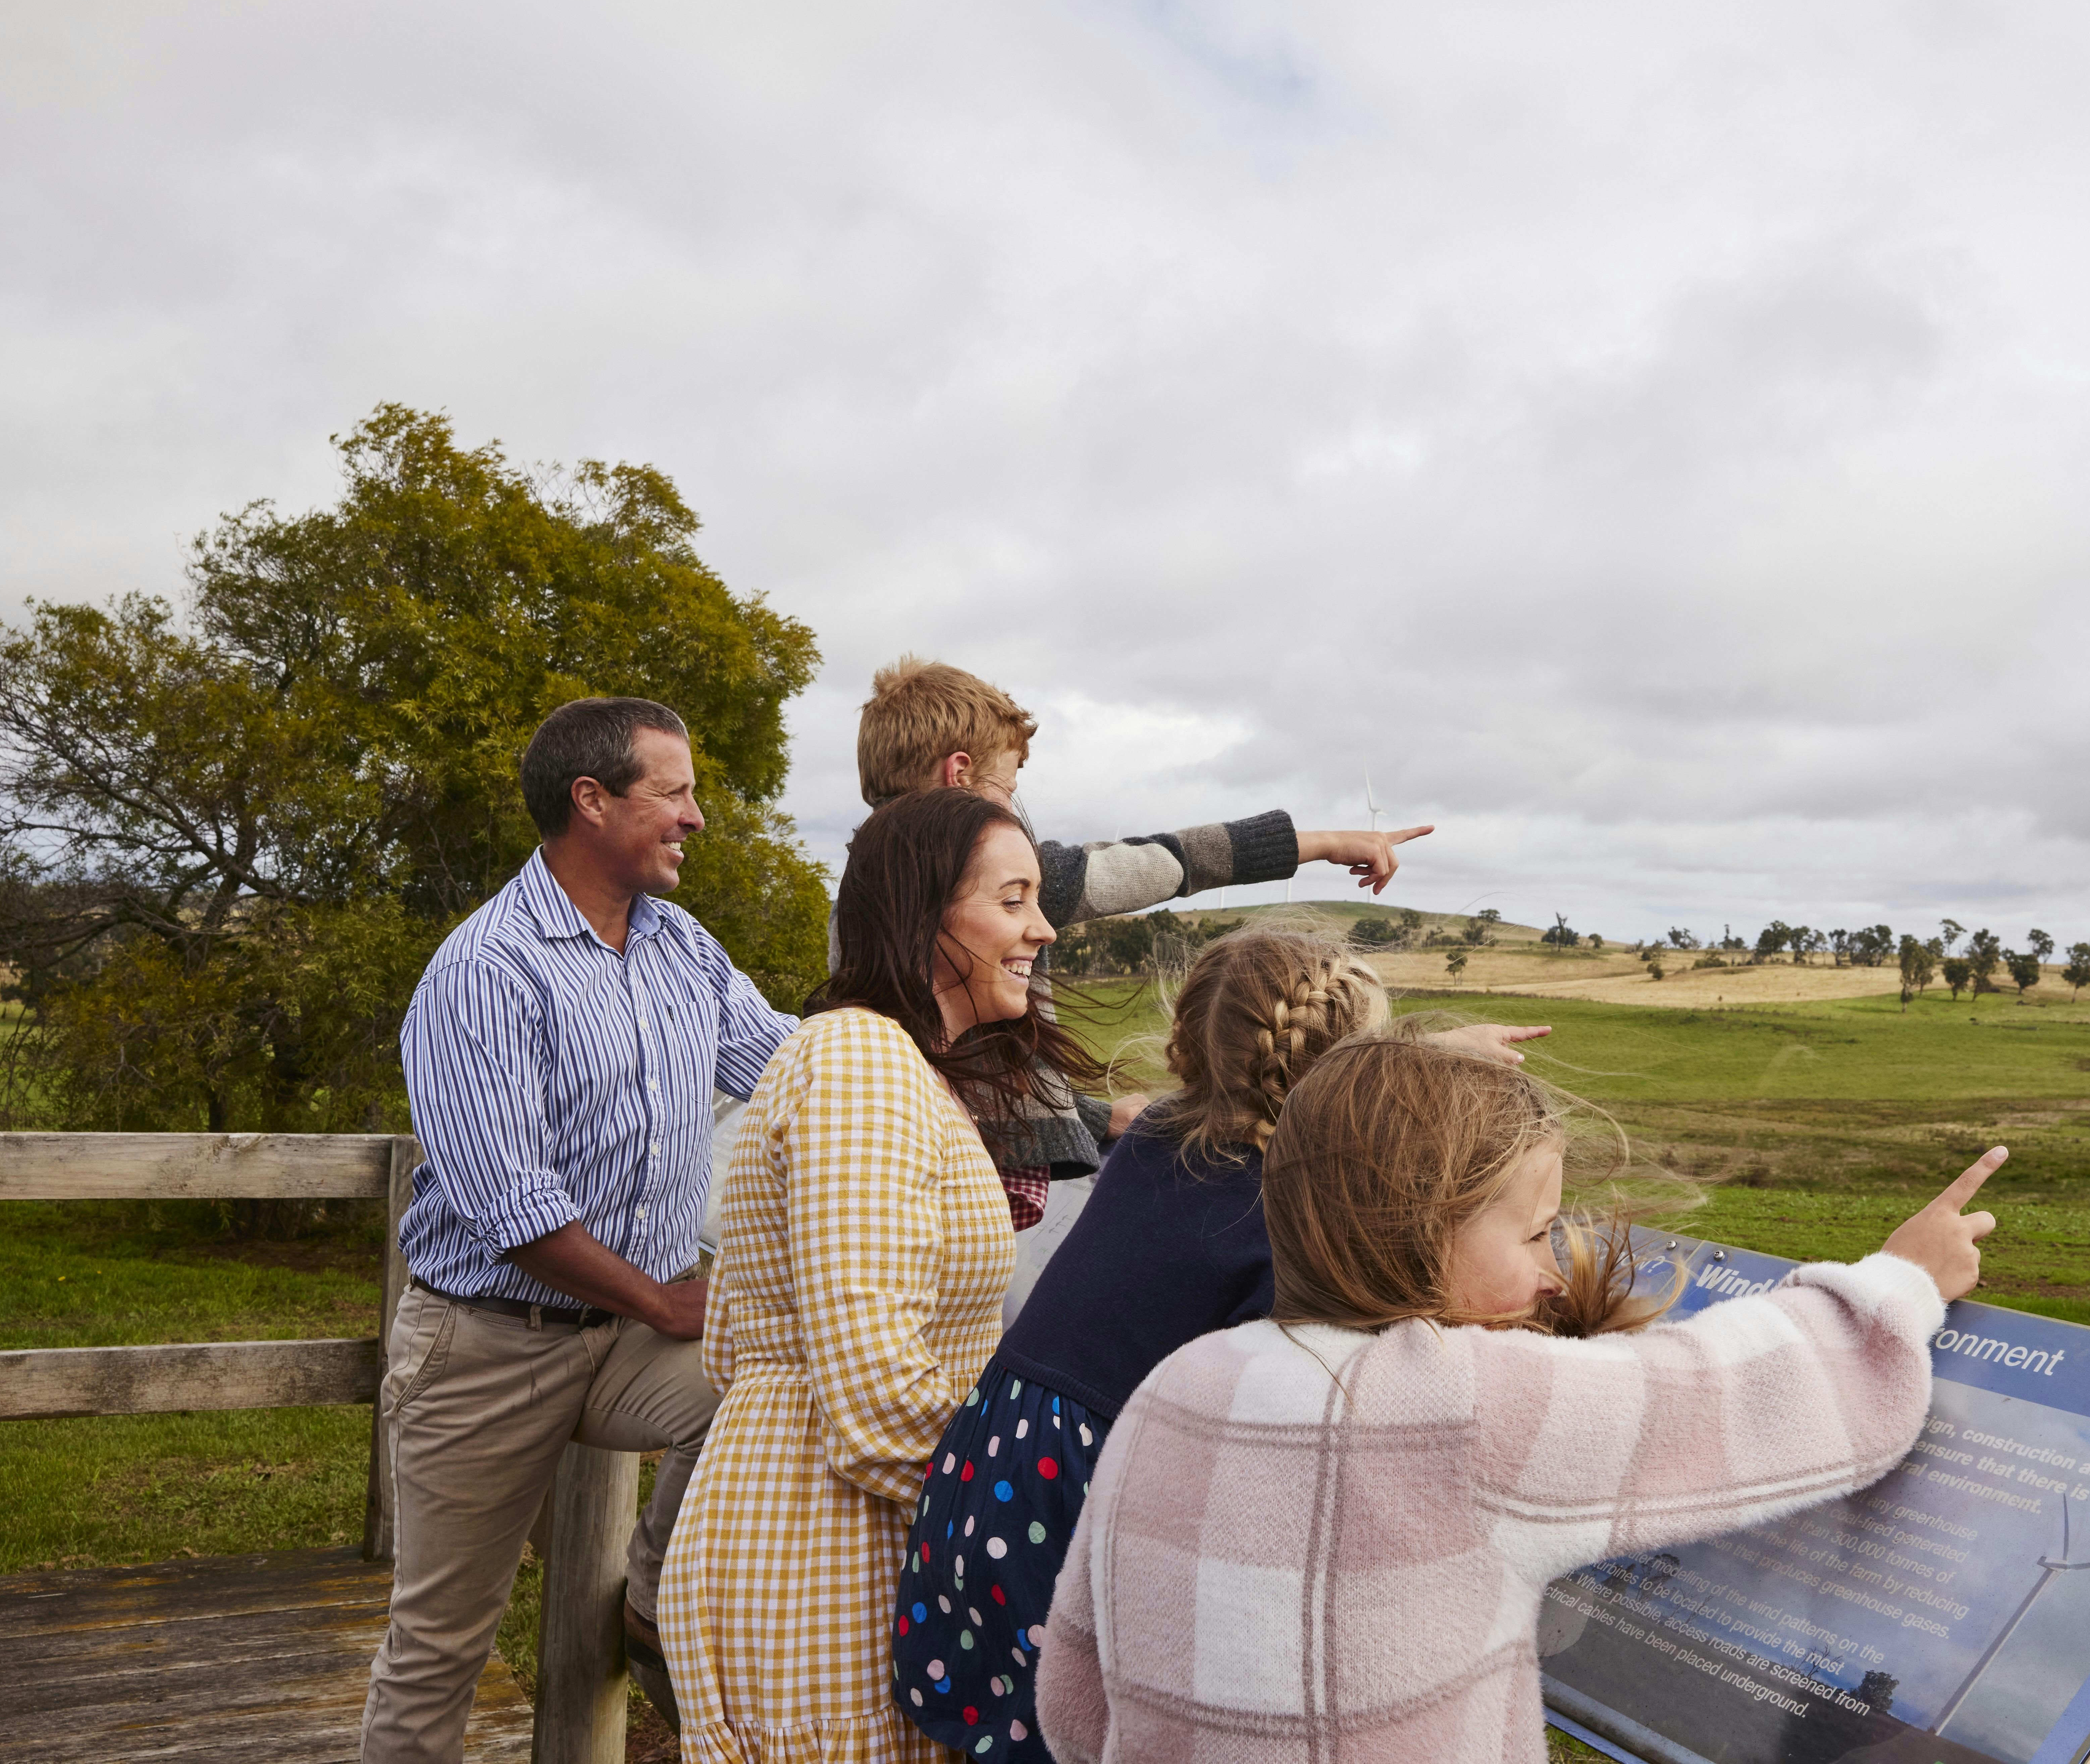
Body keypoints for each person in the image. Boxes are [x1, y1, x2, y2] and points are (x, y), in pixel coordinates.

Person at [1035, 1038, 2004, 1763]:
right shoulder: (1460, 1407)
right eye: (1537, 1233)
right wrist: (1898, 1286)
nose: (1551, 1271)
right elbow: (1741, 1390)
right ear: (1426, 1232)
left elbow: (1075, 1693)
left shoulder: (1180, 1381)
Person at [888, 928, 1545, 1762]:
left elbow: (1307, 1089)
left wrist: (1423, 1051)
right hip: (1088, 1491)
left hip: (1000, 1464)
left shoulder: (1155, 1134)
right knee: (1083, 1727)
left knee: (1012, 1723)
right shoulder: (1286, 1218)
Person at [365, 697, 796, 1764]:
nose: (697, 817)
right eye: (676, 792)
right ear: (591, 801)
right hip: (487, 1345)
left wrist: (933, 1091)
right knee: (438, 1649)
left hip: (628, 1341)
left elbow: (792, 1076)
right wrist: (662, 1297)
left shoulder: (682, 947)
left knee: (772, 1380)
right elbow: (510, 1207)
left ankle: (653, 1596)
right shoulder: (484, 970)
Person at [662, 786, 1105, 1764]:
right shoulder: (860, 1060)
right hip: (820, 1545)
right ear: (923, 913)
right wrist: (1052, 1510)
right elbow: (873, 1400)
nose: (1040, 929)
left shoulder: (909, 1070)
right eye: (1012, 899)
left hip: (848, 1526)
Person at [845, 655, 1437, 1235]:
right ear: (960, 774)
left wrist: (1096, 1116)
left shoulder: (863, 891)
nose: (1015, 812)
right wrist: (1326, 841)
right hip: (990, 1180)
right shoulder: (985, 870)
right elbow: (1163, 862)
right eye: (1008, 789)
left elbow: (985, 1069)